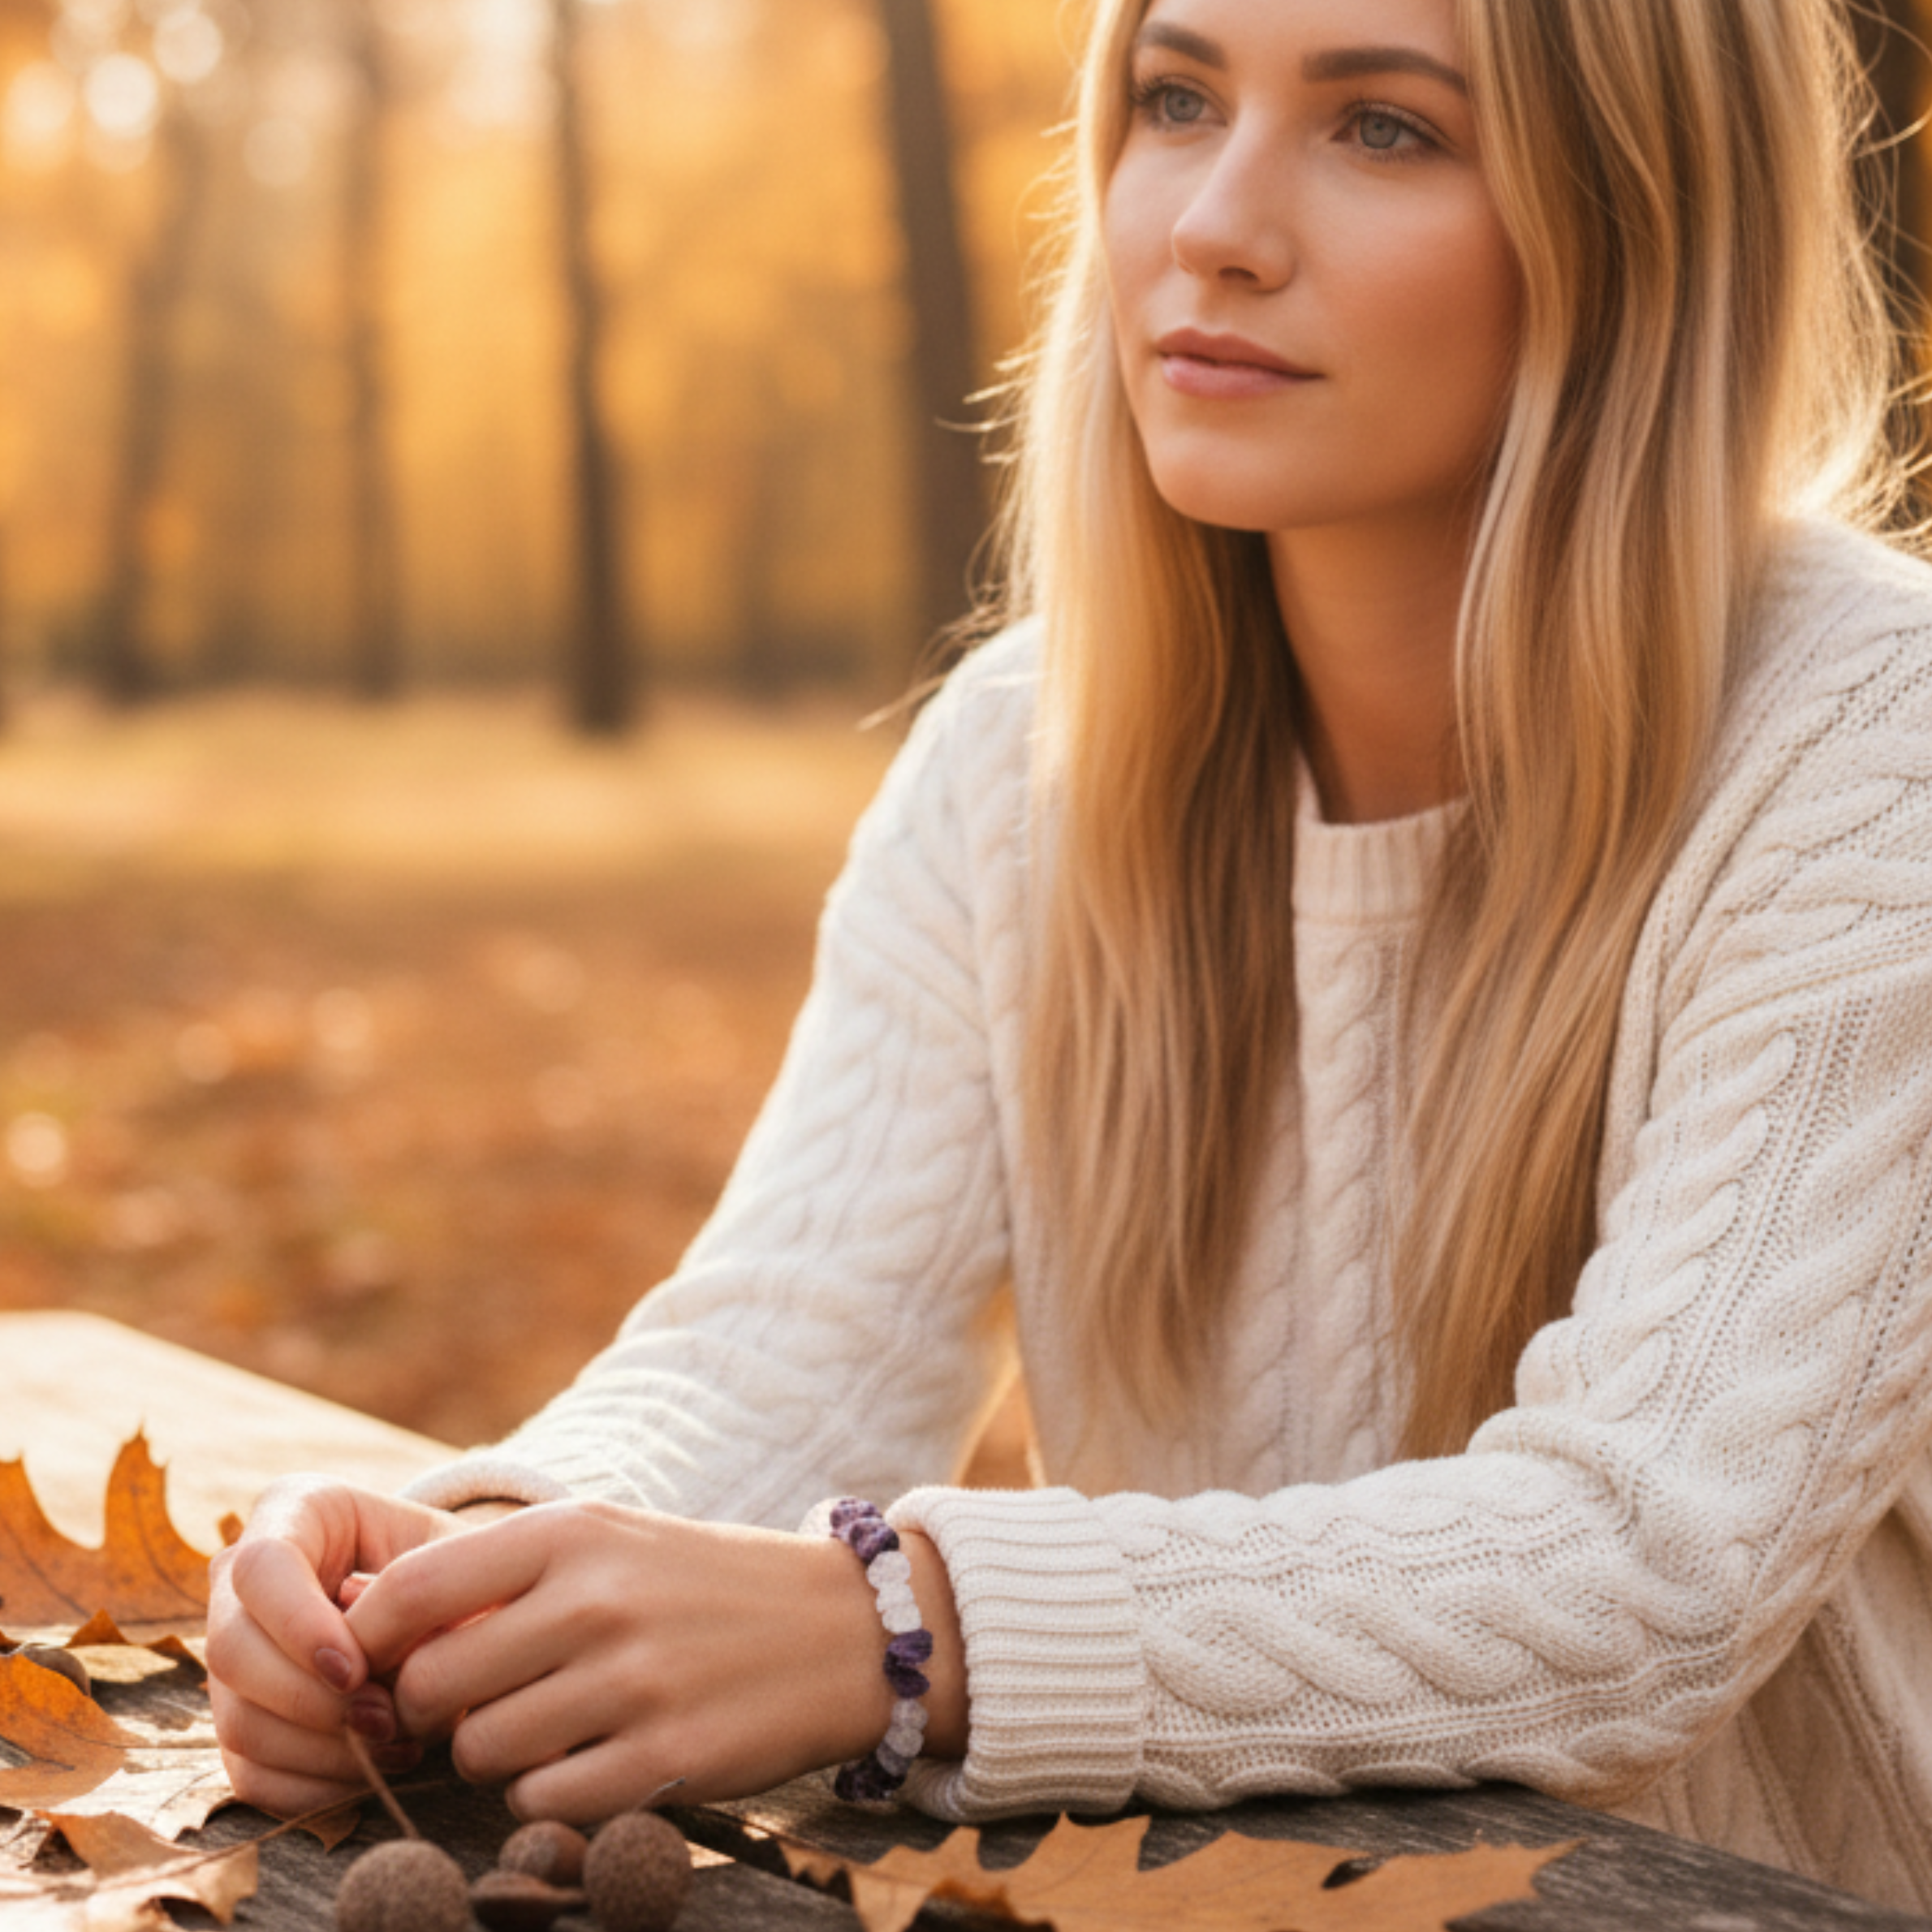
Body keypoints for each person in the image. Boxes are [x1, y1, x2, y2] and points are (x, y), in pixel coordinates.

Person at [206, 0, 1932, 1913]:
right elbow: (782, 1343)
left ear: (1631, 228)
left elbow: (1640, 1557)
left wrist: (903, 1620)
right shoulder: (1016, 761)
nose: (1211, 221)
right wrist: (444, 1575)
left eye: (1382, 131)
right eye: (1174, 100)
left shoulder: (1870, 749)